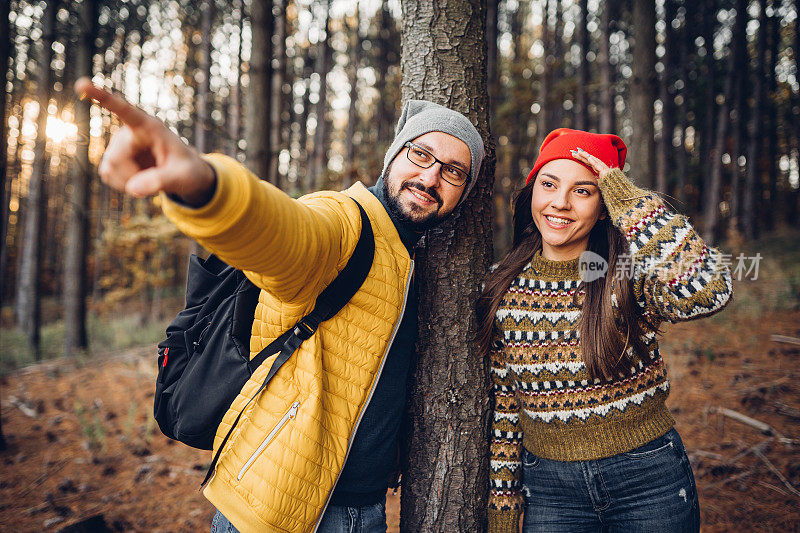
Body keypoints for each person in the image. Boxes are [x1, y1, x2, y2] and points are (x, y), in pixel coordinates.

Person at [74, 78, 485, 533]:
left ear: (463, 192)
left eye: (452, 171)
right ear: (393, 156)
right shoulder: (349, 221)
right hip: (270, 507)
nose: (430, 178)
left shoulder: (410, 256)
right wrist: (205, 187)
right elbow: (287, 234)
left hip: (361, 511)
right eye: (420, 155)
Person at [479, 128, 733, 532]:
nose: (559, 203)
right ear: (532, 193)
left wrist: (628, 198)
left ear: (603, 208)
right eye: (549, 184)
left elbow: (709, 290)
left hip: (647, 481)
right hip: (550, 492)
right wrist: (503, 510)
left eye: (583, 190)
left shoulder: (629, 279)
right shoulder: (502, 287)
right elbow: (506, 407)